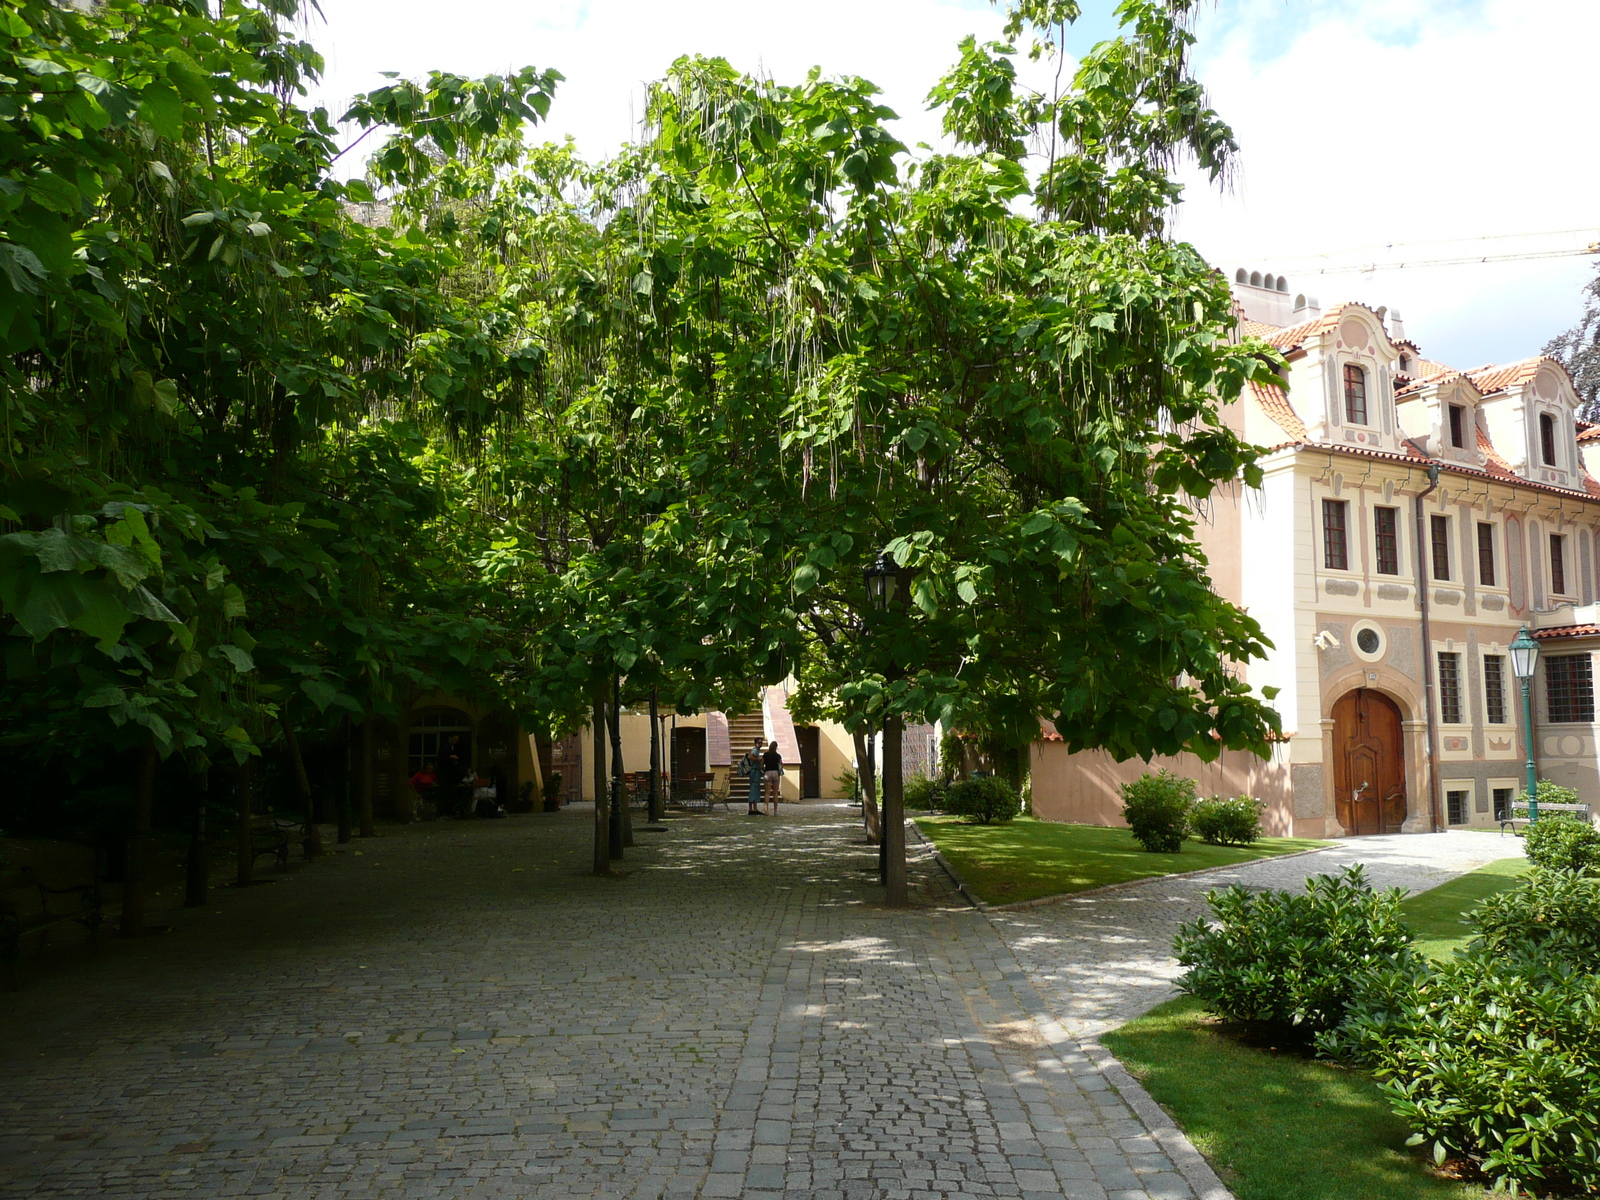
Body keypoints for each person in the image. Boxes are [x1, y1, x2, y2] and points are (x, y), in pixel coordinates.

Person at [741, 738, 764, 815]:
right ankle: (752, 809)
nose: (760, 744)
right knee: (754, 789)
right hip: (754, 772)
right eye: (759, 743)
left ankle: (754, 808)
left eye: (761, 743)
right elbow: (750, 757)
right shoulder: (754, 750)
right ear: (755, 743)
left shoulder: (756, 750)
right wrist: (758, 759)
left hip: (755, 771)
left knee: (755, 789)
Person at [762, 740, 782, 816]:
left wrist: (763, 770)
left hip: (767, 772)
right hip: (775, 773)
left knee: (767, 793)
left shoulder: (765, 755)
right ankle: (775, 811)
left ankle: (766, 810)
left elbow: (762, 764)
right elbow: (781, 765)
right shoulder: (778, 756)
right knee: (775, 793)